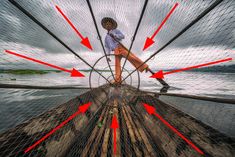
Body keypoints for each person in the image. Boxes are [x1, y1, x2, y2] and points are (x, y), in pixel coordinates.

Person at [101, 17, 149, 84]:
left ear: (112, 25)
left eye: (109, 24)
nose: (108, 25)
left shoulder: (116, 31)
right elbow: (107, 48)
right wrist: (108, 56)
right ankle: (118, 80)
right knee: (117, 65)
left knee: (131, 57)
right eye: (106, 24)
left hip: (120, 47)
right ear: (105, 26)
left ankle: (145, 66)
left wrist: (114, 35)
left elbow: (122, 36)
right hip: (115, 50)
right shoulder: (106, 38)